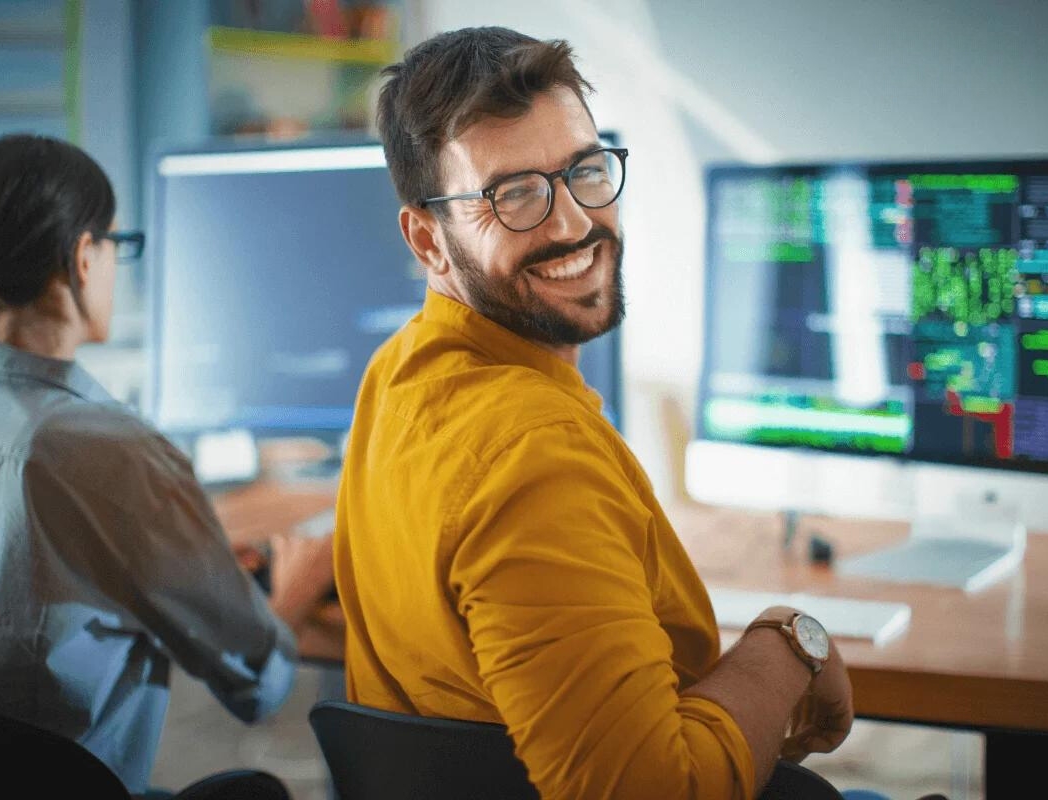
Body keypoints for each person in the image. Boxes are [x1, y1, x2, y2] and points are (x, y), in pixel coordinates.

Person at [333, 27, 856, 800]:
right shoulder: (534, 455)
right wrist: (789, 648)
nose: (573, 223)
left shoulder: (400, 374)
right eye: (512, 195)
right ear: (428, 240)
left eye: (584, 170)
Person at [0, 134, 336, 797]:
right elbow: (255, 682)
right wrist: (295, 584)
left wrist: (183, 560)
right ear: (84, 258)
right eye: (120, 244)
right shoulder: (111, 448)